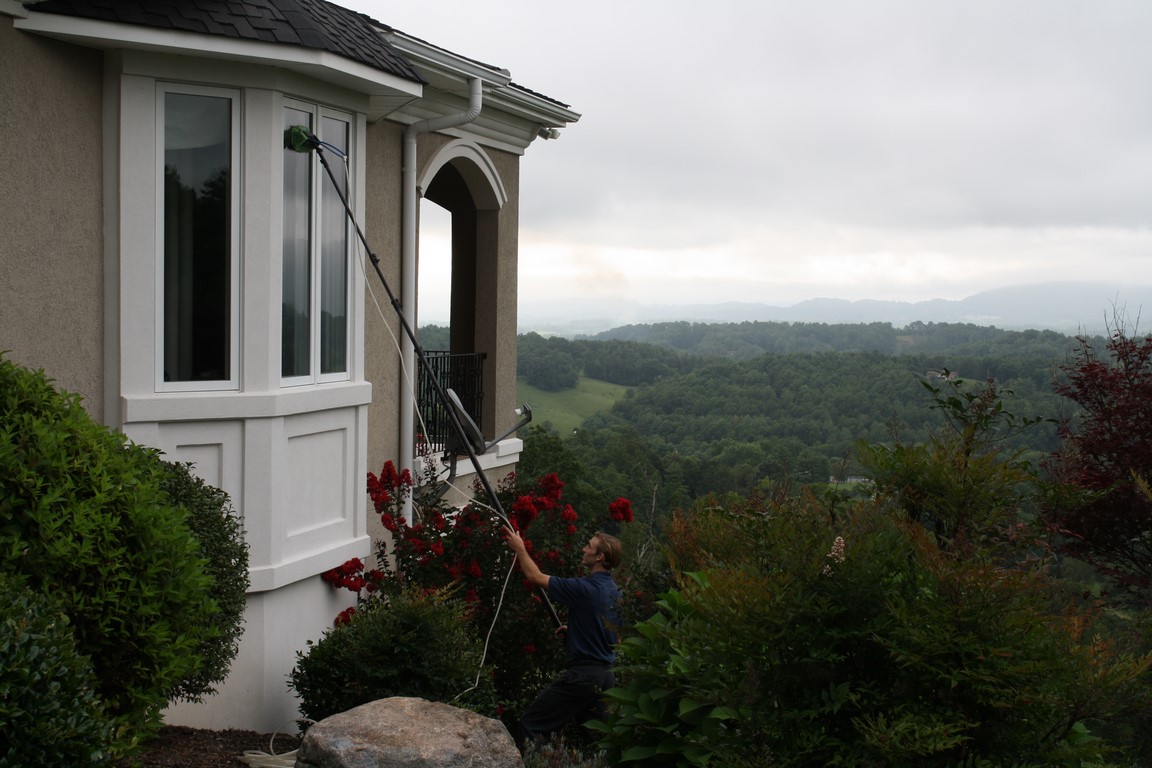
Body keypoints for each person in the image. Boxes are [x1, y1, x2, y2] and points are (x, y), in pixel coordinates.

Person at [502, 525, 624, 745]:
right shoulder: (616, 593)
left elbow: (535, 576)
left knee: (533, 726)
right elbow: (616, 638)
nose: (583, 549)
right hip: (607, 677)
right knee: (598, 742)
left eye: (589, 546)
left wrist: (519, 548)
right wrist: (577, 630)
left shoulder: (584, 588)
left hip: (583, 676)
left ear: (600, 556)